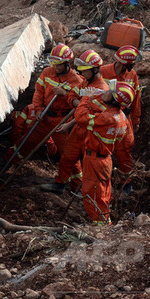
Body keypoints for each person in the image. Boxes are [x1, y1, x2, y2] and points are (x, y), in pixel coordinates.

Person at [0, 43, 82, 166]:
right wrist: (38, 109)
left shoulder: (76, 81)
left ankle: (72, 182)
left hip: (61, 121)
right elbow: (38, 92)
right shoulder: (48, 72)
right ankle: (7, 160)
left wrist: (64, 94)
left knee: (67, 152)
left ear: (66, 63)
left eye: (58, 63)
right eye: (53, 62)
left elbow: (77, 103)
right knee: (27, 141)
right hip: (44, 116)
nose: (55, 67)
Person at [41, 50, 109, 194]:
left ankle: (89, 193)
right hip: (78, 127)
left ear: (95, 70)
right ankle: (60, 184)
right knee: (67, 156)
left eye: (85, 71)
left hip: (91, 133)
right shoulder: (85, 82)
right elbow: (72, 96)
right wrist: (79, 102)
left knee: (88, 163)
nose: (82, 74)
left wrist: (76, 109)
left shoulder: (101, 90)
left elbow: (89, 115)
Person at [75, 82, 135, 224]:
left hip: (95, 160)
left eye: (110, 92)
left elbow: (80, 117)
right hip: (106, 160)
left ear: (114, 100)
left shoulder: (107, 118)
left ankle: (102, 226)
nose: (106, 92)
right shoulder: (121, 117)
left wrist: (86, 98)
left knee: (92, 194)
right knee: (103, 193)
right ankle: (105, 219)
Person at [100, 45, 142, 193]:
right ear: (127, 63)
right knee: (103, 150)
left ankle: (126, 182)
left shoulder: (132, 76)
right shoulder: (103, 72)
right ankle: (104, 181)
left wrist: (136, 120)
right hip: (106, 117)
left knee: (125, 149)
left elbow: (136, 99)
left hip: (125, 118)